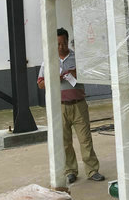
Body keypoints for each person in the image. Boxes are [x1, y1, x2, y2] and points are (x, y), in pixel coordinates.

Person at [38, 28, 105, 184]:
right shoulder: (48, 61)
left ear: (68, 41)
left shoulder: (77, 58)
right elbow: (40, 84)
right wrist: (53, 78)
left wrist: (77, 73)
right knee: (65, 142)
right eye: (58, 44)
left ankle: (92, 170)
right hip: (59, 107)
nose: (61, 47)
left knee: (85, 139)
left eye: (64, 43)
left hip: (78, 105)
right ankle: (70, 171)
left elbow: (89, 75)